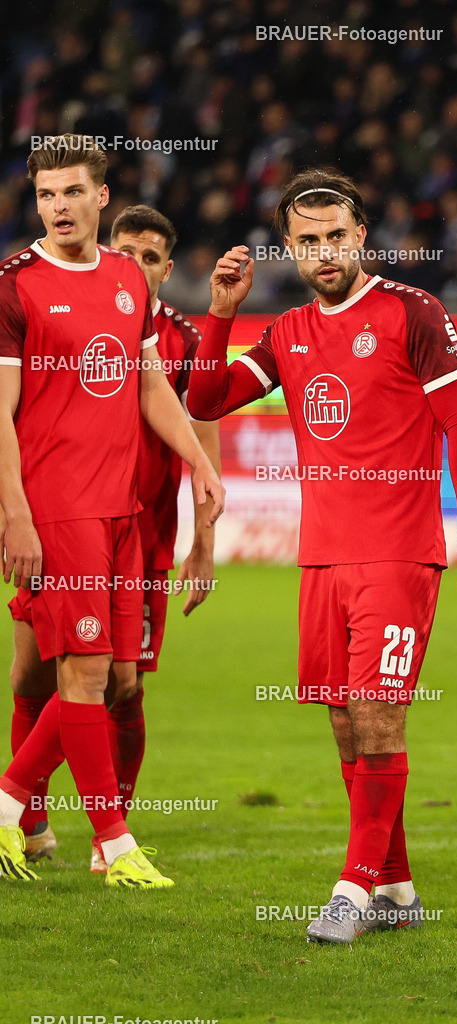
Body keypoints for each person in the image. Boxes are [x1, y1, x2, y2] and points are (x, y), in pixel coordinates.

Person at [188, 168, 457, 943]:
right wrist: (220, 315)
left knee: (377, 713)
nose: (324, 252)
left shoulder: (412, 312)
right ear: (289, 246)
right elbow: (205, 400)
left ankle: (353, 888)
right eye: (308, 240)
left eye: (337, 236)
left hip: (399, 555)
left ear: (361, 236)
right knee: (341, 719)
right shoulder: (290, 332)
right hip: (322, 556)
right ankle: (396, 886)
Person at [0, 134, 224, 888]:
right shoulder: (15, 284)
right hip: (58, 509)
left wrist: (197, 463)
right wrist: (18, 514)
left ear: (102, 196)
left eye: (70, 192)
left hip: (124, 509)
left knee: (109, 678)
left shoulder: (130, 277)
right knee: (82, 676)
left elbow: (149, 385)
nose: (57, 207)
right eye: (44, 195)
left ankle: (11, 810)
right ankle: (115, 846)